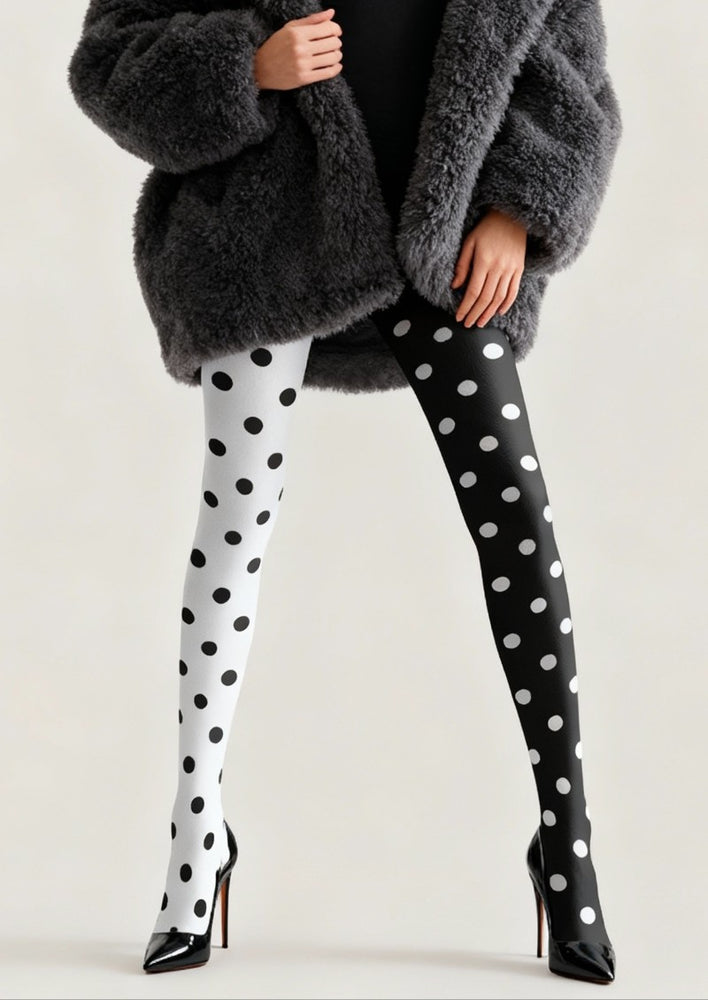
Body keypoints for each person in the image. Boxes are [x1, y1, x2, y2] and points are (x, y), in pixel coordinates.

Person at [67, 0, 623, 983]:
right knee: (235, 521)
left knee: (517, 519)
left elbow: (571, 64)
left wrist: (520, 211)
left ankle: (566, 850)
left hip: (448, 243)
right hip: (265, 247)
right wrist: (245, 66)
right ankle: (196, 843)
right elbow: (109, 60)